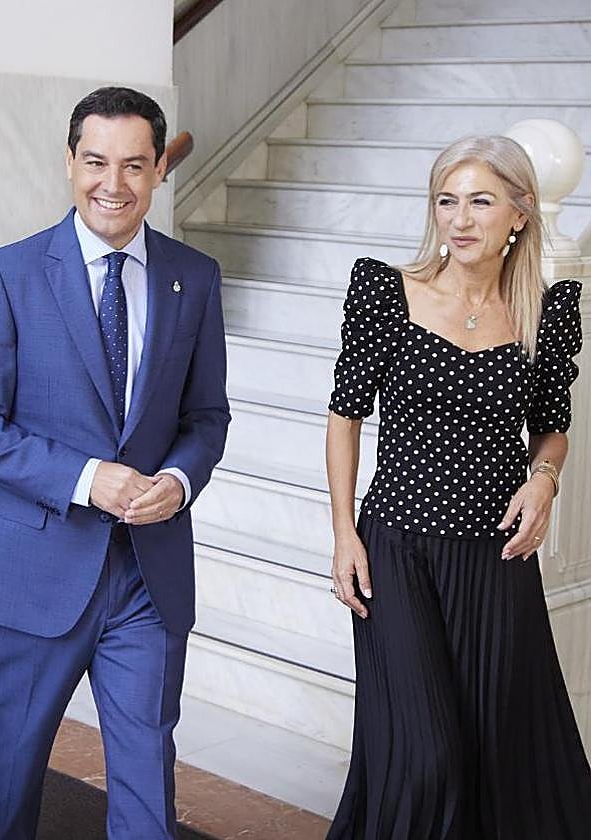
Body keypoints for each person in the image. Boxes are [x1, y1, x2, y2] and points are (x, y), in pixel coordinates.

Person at [0, 86, 229, 839]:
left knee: (145, 781)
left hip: (148, 575)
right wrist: (84, 478)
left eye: (135, 165)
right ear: (70, 162)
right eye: (96, 161)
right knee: (12, 776)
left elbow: (206, 417)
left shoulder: (193, 278)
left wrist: (178, 479)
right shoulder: (8, 274)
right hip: (37, 570)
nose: (114, 183)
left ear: (160, 169)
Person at [325, 135, 591, 839]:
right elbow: (344, 419)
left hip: (494, 558)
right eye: (447, 200)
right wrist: (344, 533)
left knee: (497, 748)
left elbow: (552, 429)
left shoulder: (543, 312)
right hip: (397, 551)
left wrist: (544, 479)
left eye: (480, 201)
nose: (460, 219)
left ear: (520, 214)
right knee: (426, 753)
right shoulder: (388, 293)